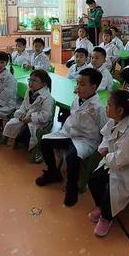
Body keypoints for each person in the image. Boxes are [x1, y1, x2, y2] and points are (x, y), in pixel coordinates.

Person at [37, 68, 108, 206]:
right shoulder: (77, 99)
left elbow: (105, 129)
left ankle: (72, 187)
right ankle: (53, 173)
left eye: (82, 84)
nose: (77, 87)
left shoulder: (98, 107)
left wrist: (103, 149)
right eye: (77, 83)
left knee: (72, 157)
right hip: (69, 132)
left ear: (93, 87)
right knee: (45, 141)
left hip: (86, 140)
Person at [87, 90, 129, 237]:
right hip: (112, 162)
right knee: (93, 181)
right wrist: (104, 151)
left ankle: (107, 217)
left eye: (108, 105)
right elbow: (106, 138)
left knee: (112, 192)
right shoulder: (114, 119)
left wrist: (106, 154)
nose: (106, 107)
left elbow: (122, 159)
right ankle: (101, 207)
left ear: (119, 110)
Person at [3, 70, 54, 162]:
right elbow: (24, 106)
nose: (30, 83)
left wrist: (31, 118)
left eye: (34, 80)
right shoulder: (29, 91)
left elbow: (46, 115)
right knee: (11, 124)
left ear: (44, 83)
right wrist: (21, 114)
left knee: (25, 133)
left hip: (39, 122)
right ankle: (20, 141)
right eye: (30, 80)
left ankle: (37, 150)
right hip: (26, 117)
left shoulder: (47, 97)